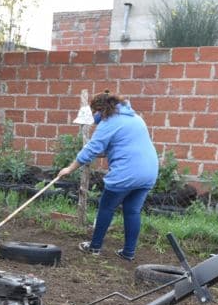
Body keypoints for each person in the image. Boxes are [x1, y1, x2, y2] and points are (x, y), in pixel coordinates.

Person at [55, 91, 158, 261]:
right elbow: (123, 144)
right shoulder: (135, 118)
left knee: (106, 207)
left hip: (126, 173)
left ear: (101, 111)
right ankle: (128, 253)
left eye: (96, 113)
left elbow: (92, 148)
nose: (96, 117)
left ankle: (94, 247)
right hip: (148, 172)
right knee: (132, 211)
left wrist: (69, 168)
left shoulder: (109, 122)